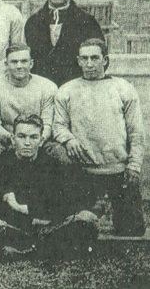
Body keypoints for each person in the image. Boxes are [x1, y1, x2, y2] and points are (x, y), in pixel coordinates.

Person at [52, 38, 146, 236]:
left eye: (94, 58)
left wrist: (134, 166)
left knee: (132, 231)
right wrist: (69, 139)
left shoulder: (123, 88)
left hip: (118, 169)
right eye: (84, 58)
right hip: (83, 171)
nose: (89, 64)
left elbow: (136, 133)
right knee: (79, 229)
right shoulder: (66, 90)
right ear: (78, 60)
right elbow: (58, 126)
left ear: (105, 60)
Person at [0, 114, 98, 258]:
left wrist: (22, 208)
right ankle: (41, 249)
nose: (27, 142)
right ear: (13, 139)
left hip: (47, 227)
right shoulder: (0, 163)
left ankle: (28, 249)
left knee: (88, 218)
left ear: (41, 141)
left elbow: (70, 200)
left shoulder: (52, 165)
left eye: (33, 137)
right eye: (21, 136)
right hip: (14, 227)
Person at [25, 0, 105, 86]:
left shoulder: (87, 21)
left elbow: (101, 59)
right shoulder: (33, 22)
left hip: (76, 87)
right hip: (42, 88)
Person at [0, 44, 58, 162]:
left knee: (59, 152)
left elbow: (47, 123)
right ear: (6, 64)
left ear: (31, 63)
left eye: (24, 61)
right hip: (6, 140)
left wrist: (35, 141)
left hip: (38, 140)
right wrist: (15, 140)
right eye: (14, 62)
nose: (19, 66)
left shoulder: (48, 87)